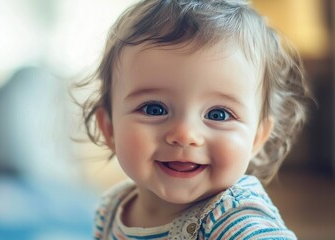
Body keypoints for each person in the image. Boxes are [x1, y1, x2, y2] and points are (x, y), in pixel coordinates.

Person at [75, 0, 311, 239]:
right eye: (154, 109)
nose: (185, 134)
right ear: (109, 128)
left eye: (218, 114)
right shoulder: (111, 208)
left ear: (257, 138)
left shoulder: (239, 221)